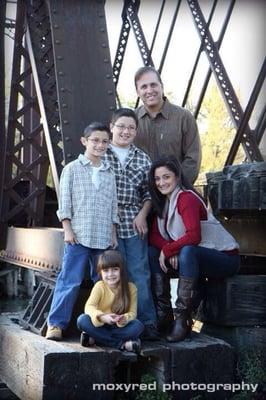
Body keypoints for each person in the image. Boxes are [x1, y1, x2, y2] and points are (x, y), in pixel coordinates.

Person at [148, 155, 240, 342]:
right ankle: (164, 315)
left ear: (177, 177)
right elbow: (153, 236)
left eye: (166, 177)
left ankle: (182, 319)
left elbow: (193, 236)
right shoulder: (165, 203)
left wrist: (170, 250)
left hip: (224, 258)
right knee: (152, 252)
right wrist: (169, 248)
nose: (161, 182)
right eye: (157, 178)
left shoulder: (186, 199)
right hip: (193, 255)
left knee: (188, 250)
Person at [46, 122, 119, 341]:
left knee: (104, 284)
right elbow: (65, 203)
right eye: (95, 140)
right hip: (78, 236)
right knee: (70, 279)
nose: (100, 145)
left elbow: (112, 205)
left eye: (105, 141)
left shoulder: (109, 173)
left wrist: (113, 233)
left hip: (102, 237)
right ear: (84, 141)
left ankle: (99, 327)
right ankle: (56, 324)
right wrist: (67, 229)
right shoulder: (72, 169)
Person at [103, 107, 158, 340]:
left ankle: (148, 323)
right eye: (121, 126)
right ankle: (110, 325)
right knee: (112, 274)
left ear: (136, 131)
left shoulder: (142, 157)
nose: (126, 131)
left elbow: (149, 193)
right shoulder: (101, 153)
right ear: (111, 127)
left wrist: (142, 215)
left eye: (131, 128)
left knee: (139, 273)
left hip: (135, 222)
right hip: (107, 224)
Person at [134, 66, 201, 185]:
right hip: (141, 196)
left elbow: (193, 159)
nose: (149, 90)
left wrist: (175, 186)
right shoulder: (131, 121)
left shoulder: (184, 117)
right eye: (144, 87)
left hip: (176, 193)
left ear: (162, 86)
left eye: (153, 85)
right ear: (138, 92)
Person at [77, 249, 144, 353]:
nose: (110, 274)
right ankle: (121, 344)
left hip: (119, 327)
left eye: (115, 269)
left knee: (138, 326)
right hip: (100, 325)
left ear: (121, 270)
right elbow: (89, 307)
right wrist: (102, 317)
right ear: (100, 272)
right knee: (82, 320)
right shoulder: (99, 286)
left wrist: (124, 318)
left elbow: (132, 313)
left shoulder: (131, 288)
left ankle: (96, 339)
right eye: (106, 271)